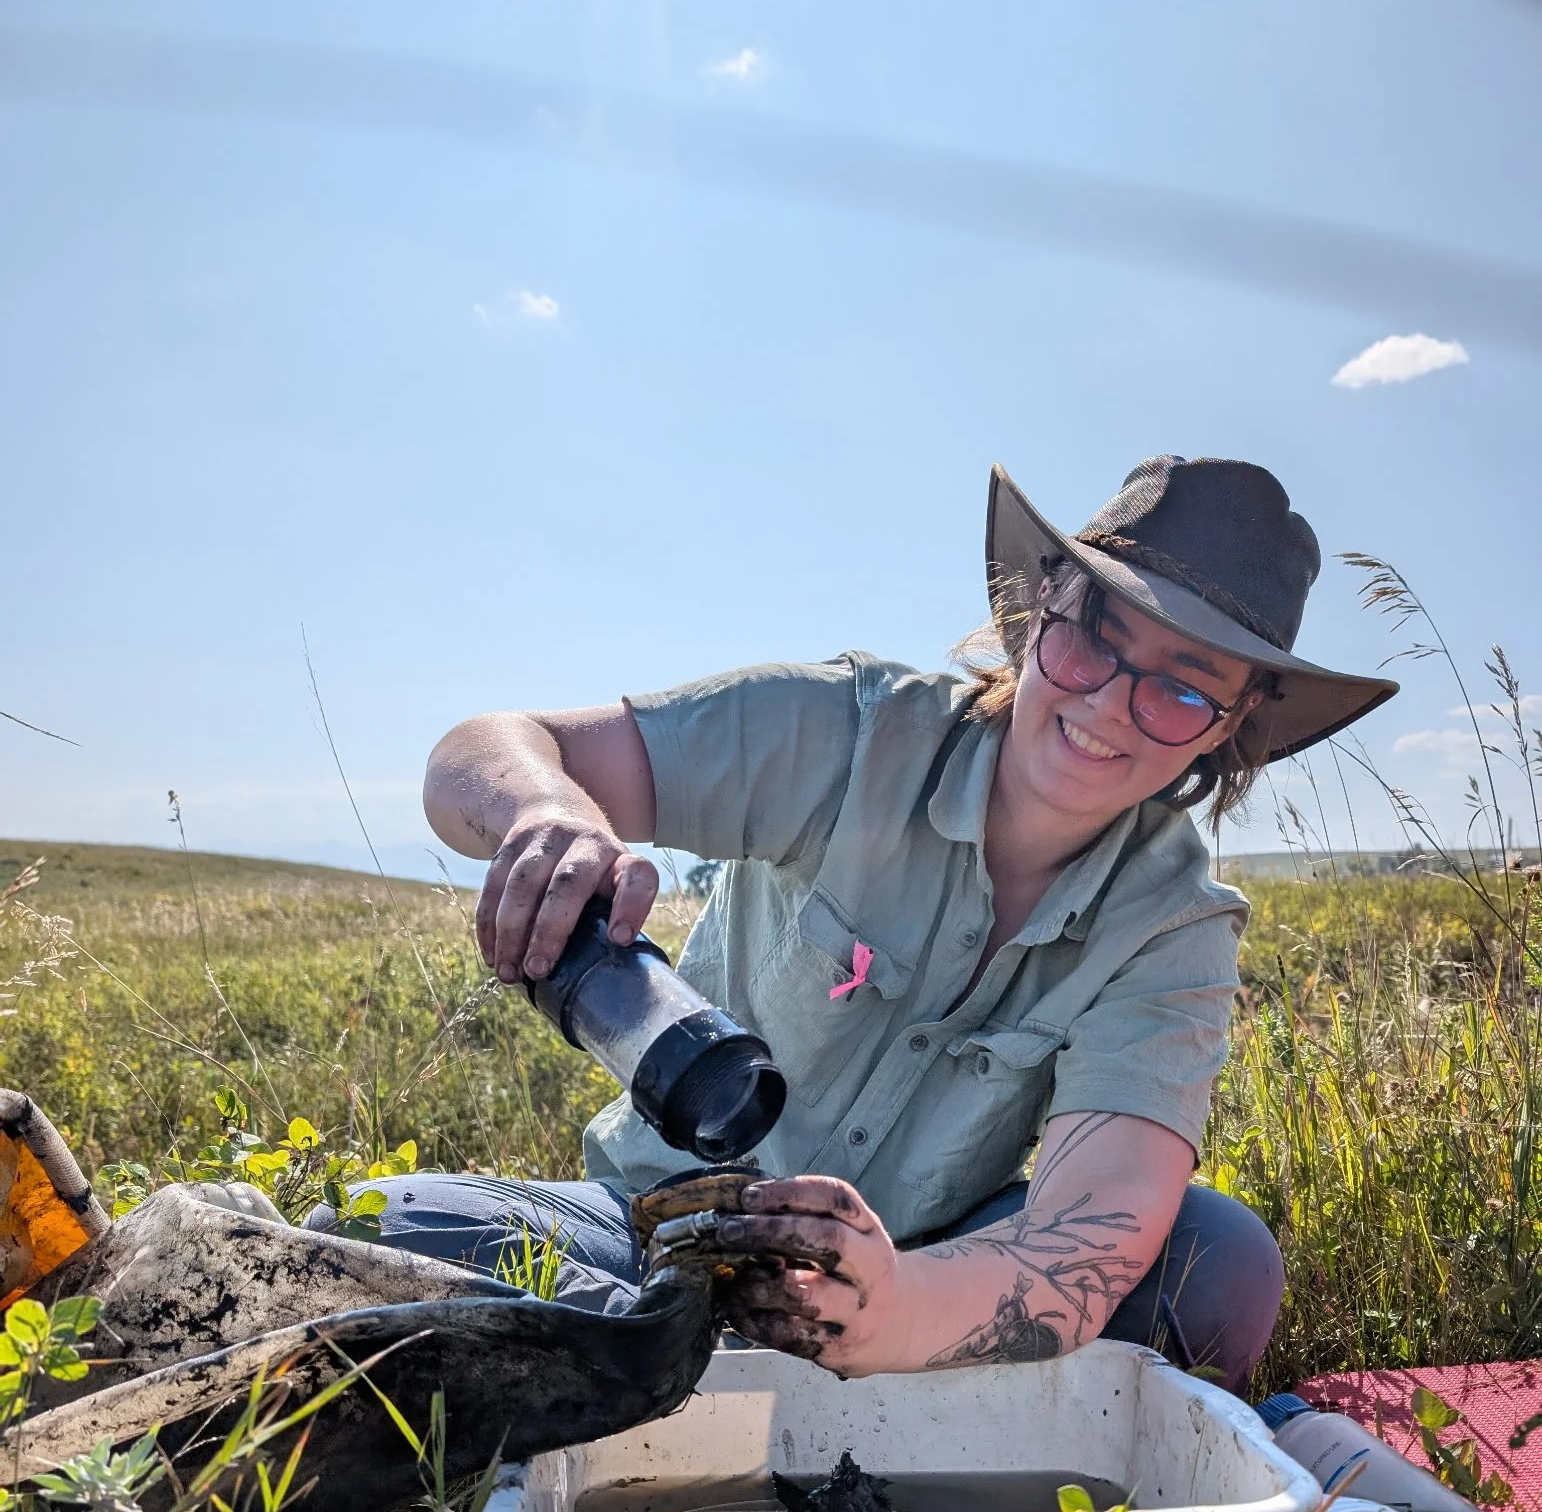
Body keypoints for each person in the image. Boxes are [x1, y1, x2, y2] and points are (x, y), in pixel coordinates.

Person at [328, 456, 1398, 1394]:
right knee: (376, 1230)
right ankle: (730, 1366)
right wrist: (545, 811)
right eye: (1093, 641)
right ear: (1038, 611)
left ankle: (735, 1383)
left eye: (1181, 688)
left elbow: (1094, 1237)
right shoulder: (847, 731)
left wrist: (888, 1310)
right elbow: (486, 747)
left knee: (1216, 1262)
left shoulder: (1176, 926)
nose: (1110, 703)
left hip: (935, 1268)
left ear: (1236, 722)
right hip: (650, 1229)